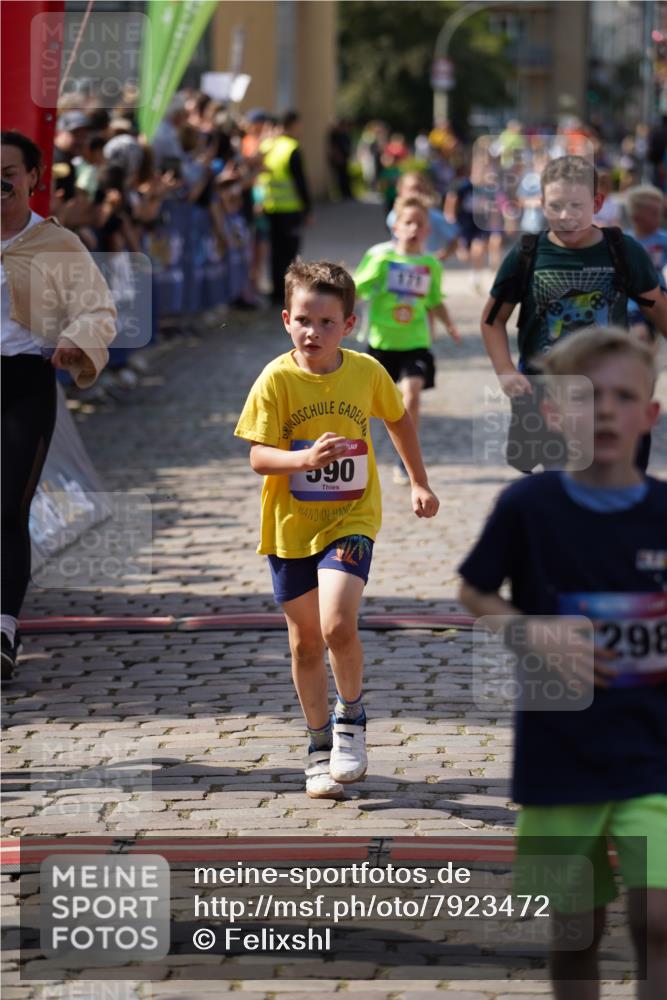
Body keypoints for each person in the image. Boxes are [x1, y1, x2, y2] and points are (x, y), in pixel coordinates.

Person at [458, 326, 667, 1000]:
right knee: (572, 930)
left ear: (649, 413)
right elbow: (473, 591)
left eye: (621, 396)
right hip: (558, 755)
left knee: (658, 918)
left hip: (652, 749)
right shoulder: (527, 507)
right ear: (551, 414)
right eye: (583, 397)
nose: (603, 410)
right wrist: (530, 633)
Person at [234, 260, 439, 798]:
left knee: (336, 626)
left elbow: (397, 418)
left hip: (352, 517)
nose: (313, 332)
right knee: (304, 645)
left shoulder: (367, 371)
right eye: (304, 319)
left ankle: (351, 719)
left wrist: (418, 481)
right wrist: (301, 462)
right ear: (285, 319)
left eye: (327, 323)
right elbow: (257, 455)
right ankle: (318, 744)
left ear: (348, 325)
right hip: (290, 525)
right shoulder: (276, 378)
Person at [1, 130, 116, 680]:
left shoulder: (56, 245)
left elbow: (98, 309)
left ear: (32, 178)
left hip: (24, 382)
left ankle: (3, 627)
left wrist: (76, 337)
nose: (0, 182)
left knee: (7, 506)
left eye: (9, 171)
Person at [481, 154, 667, 473]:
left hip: (611, 394)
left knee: (616, 488)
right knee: (564, 489)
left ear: (596, 203)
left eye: (576, 206)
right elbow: (493, 320)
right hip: (549, 397)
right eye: (555, 206)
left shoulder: (624, 252)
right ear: (541, 204)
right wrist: (505, 370)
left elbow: (660, 313)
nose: (566, 216)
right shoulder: (528, 254)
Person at [354, 194, 461, 484]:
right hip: (381, 343)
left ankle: (404, 460)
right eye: (408, 223)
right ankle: (355, 456)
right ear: (396, 227)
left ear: (428, 231)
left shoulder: (430, 265)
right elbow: (355, 290)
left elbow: (435, 300)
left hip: (415, 342)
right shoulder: (379, 257)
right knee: (365, 408)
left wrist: (450, 325)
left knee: (411, 395)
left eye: (420, 224)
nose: (414, 229)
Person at [260, 110, 312, 305]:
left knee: (274, 251)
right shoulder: (291, 148)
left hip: (270, 206)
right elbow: (301, 182)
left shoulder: (267, 146)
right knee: (289, 253)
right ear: (292, 125)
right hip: (290, 209)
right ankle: (287, 292)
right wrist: (308, 209)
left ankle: (275, 291)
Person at [625, 185, 667, 341]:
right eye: (655, 214)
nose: (660, 218)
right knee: (641, 337)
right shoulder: (625, 242)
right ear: (637, 218)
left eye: (661, 213)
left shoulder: (663, 239)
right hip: (633, 303)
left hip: (659, 298)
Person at [385, 172, 459, 261]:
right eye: (412, 189)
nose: (416, 193)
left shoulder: (435, 217)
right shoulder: (393, 215)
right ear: (400, 191)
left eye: (420, 189)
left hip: (424, 266)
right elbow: (394, 241)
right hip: (401, 263)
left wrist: (440, 257)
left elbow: (455, 239)